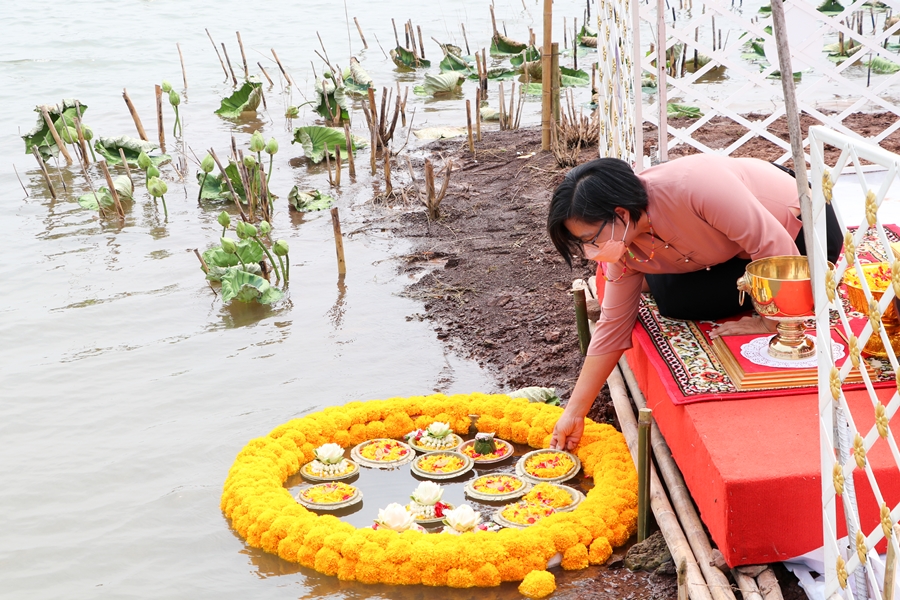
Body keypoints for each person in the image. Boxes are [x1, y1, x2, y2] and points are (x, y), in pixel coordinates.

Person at [547, 154, 842, 450]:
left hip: (798, 226)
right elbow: (613, 325)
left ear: (622, 214)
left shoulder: (695, 185)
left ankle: (654, 278)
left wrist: (766, 319)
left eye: (592, 239)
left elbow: (773, 245)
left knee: (796, 284)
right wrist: (574, 413)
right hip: (728, 253)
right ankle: (653, 277)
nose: (590, 251)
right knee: (678, 303)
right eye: (582, 244)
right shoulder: (624, 247)